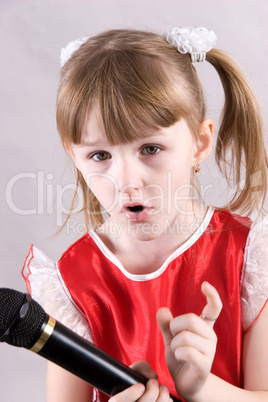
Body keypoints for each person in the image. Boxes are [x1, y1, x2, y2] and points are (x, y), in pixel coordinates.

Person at [22, 27, 268, 402]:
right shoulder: (74, 282)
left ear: (200, 144)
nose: (127, 181)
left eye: (150, 148)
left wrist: (203, 388)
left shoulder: (248, 258)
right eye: (100, 156)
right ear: (75, 156)